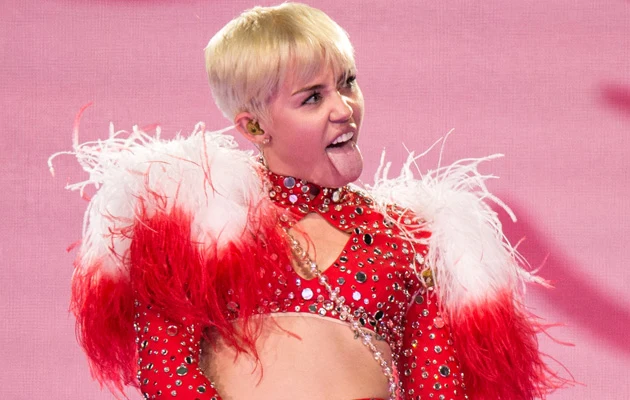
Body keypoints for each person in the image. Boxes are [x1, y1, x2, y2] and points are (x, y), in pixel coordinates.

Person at [58, 3, 568, 399]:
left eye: (347, 83)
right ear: (254, 127)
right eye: (312, 97)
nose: (344, 109)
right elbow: (167, 370)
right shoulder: (195, 220)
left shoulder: (412, 238)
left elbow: (438, 386)